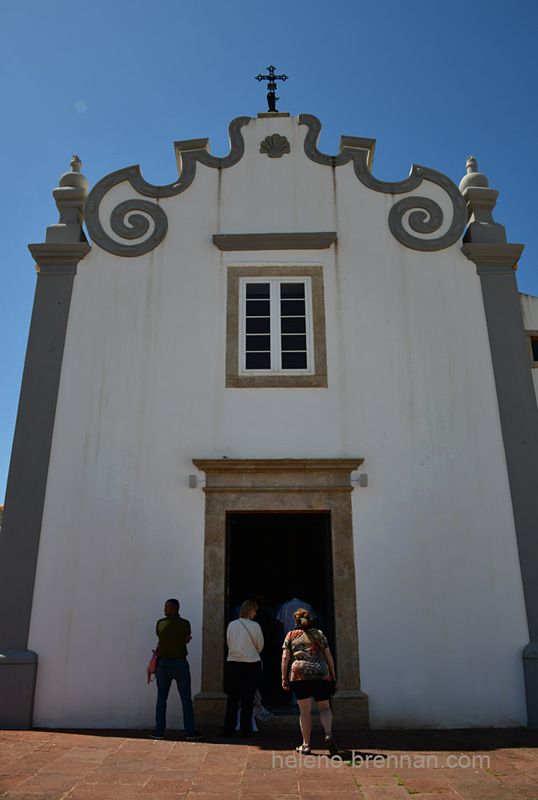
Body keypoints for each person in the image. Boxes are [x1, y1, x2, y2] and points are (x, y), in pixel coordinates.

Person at [281, 608, 339, 756]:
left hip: (300, 675)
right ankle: (328, 734)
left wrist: (284, 678)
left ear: (295, 620)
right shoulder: (319, 634)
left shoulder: (291, 635)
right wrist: (333, 676)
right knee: (324, 707)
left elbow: (285, 658)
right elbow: (329, 656)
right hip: (321, 673)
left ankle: (306, 745)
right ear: (310, 620)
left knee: (305, 711)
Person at [152, 598, 202, 740]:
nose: (164, 609)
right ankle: (190, 731)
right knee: (186, 699)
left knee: (161, 699)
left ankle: (159, 731)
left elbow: (161, 637)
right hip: (180, 663)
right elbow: (185, 638)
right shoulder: (185, 623)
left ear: (171, 608)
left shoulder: (160, 623)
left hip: (163, 664)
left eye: (165, 607)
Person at [223, 599, 264, 738]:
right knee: (247, 699)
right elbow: (260, 645)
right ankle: (245, 730)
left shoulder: (232, 625)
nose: (255, 614)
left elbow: (229, 642)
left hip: (233, 663)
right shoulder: (255, 626)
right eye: (254, 611)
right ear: (249, 610)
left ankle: (228, 729)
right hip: (251, 664)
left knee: (232, 699)